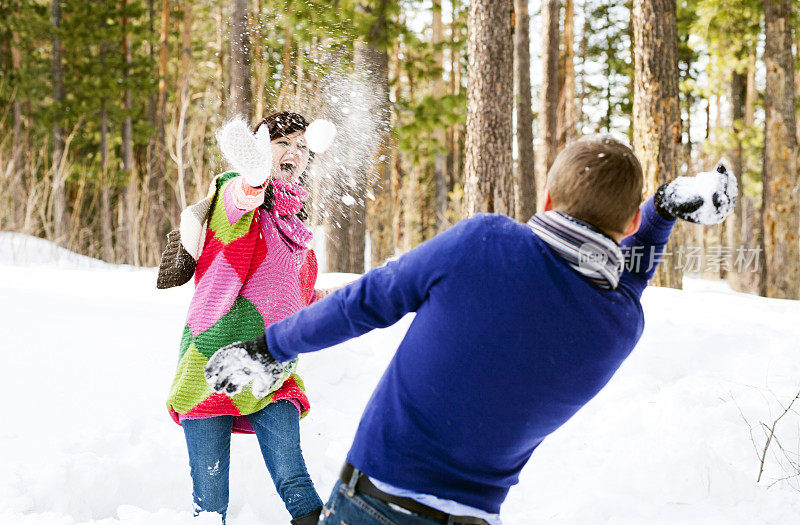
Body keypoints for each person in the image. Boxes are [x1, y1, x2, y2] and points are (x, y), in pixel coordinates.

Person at [204, 136, 737, 524]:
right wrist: (664, 209)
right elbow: (630, 276)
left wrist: (269, 347)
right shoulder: (621, 323)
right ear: (626, 229)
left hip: (373, 505)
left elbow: (367, 302)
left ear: (547, 201)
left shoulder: (484, 242)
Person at [159, 111, 336, 524]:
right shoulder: (232, 197)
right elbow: (241, 198)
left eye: (302, 147)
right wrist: (253, 177)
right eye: (282, 143)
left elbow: (299, 299)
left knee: (295, 478)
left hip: (268, 366)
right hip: (209, 362)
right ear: (259, 148)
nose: (294, 153)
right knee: (210, 501)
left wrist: (366, 292)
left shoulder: (295, 230)